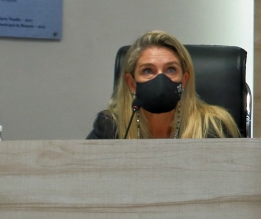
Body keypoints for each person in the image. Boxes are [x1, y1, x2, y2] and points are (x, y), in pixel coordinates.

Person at [87, 30, 240, 139]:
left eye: (171, 69)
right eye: (148, 70)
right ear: (132, 83)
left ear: (184, 80)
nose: (160, 79)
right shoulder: (111, 127)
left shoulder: (213, 126)